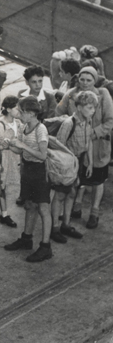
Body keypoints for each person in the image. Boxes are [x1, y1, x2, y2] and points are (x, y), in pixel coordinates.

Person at [56, 66, 113, 229]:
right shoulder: (71, 94)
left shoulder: (103, 95)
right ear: (78, 79)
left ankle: (94, 212)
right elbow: (58, 112)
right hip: (77, 146)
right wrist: (71, 127)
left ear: (95, 80)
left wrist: (92, 133)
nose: (85, 83)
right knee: (80, 177)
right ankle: (77, 205)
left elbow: (110, 121)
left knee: (97, 179)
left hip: (98, 144)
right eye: (82, 79)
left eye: (89, 80)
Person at [4, 96, 53, 262]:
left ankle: (46, 247)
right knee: (30, 205)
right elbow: (21, 152)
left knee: (43, 209)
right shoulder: (24, 127)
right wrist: (9, 146)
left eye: (22, 111)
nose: (19, 114)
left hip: (40, 172)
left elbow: (42, 155)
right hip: (28, 170)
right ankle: (26, 238)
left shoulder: (41, 130)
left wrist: (23, 146)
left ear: (32, 113)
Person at [50, 91, 97, 244]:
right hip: (67, 163)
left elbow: (88, 142)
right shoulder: (69, 123)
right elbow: (59, 146)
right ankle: (54, 228)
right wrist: (67, 165)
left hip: (79, 161)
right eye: (89, 107)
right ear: (78, 107)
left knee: (72, 193)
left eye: (94, 108)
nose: (93, 111)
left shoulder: (88, 122)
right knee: (60, 195)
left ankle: (66, 224)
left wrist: (89, 162)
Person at [0, 96, 21, 225]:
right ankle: (4, 214)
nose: (19, 110)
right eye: (16, 108)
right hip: (3, 160)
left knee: (8, 186)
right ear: (8, 109)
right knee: (0, 186)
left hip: (15, 159)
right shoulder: (0, 125)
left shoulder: (18, 123)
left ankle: (3, 212)